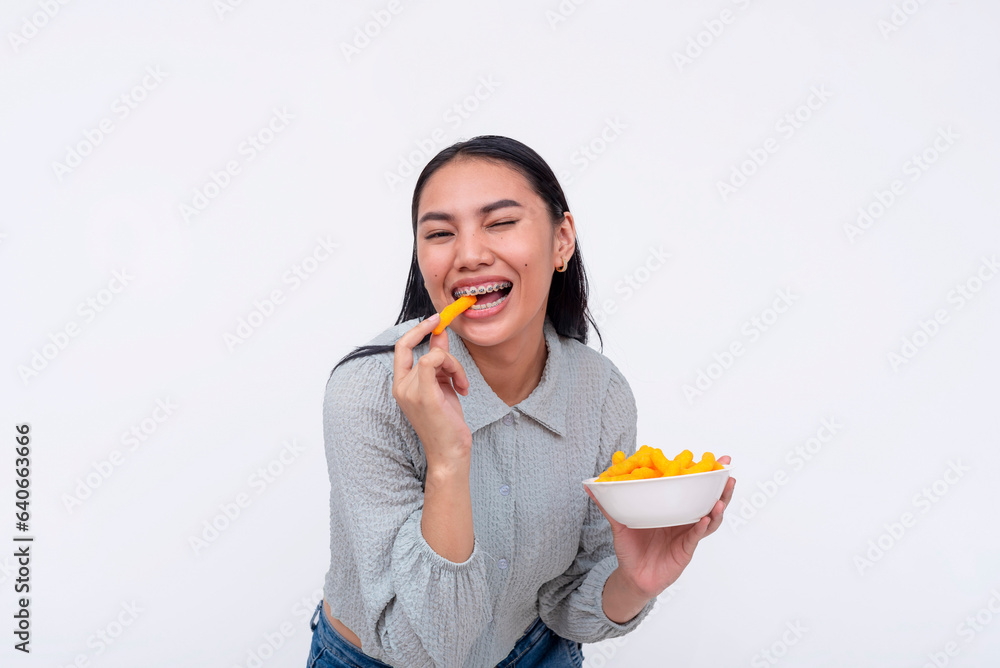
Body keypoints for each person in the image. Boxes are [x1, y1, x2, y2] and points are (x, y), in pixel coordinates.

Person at [306, 135, 736, 667]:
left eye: (501, 222)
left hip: (534, 653)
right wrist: (447, 460)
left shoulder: (601, 396)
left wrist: (633, 582)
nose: (468, 254)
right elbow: (420, 648)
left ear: (561, 240)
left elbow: (565, 607)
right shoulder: (365, 394)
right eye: (440, 233)